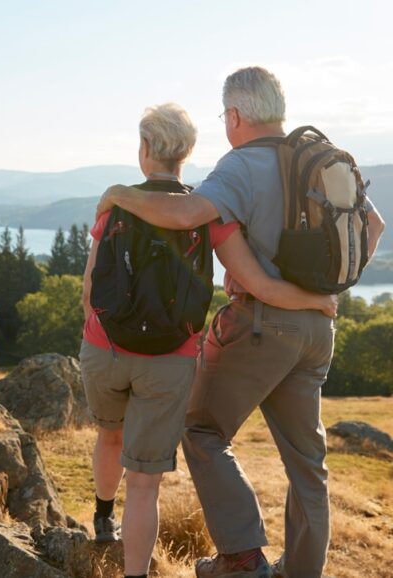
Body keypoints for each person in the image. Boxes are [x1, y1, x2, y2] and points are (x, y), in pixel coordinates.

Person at [97, 67, 385, 578]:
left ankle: (242, 559)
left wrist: (121, 195)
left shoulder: (242, 164)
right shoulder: (318, 156)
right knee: (307, 465)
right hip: (320, 332)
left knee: (199, 425)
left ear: (234, 116)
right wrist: (325, 292)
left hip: (263, 325)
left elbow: (187, 215)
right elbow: (374, 224)